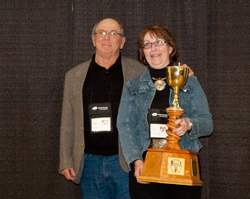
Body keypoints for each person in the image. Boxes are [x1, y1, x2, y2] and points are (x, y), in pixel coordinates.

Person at [117, 25, 213, 199]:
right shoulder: (133, 86)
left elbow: (207, 124)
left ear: (170, 48)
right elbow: (125, 125)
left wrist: (188, 123)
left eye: (158, 42)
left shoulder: (189, 82)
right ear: (143, 52)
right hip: (146, 163)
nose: (153, 48)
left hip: (181, 162)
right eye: (147, 44)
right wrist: (135, 159)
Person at [59, 18, 147, 199]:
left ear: (122, 42)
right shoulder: (74, 76)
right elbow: (67, 121)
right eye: (102, 33)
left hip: (125, 162)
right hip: (89, 162)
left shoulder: (139, 73)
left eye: (114, 33)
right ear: (93, 39)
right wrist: (66, 159)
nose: (107, 37)